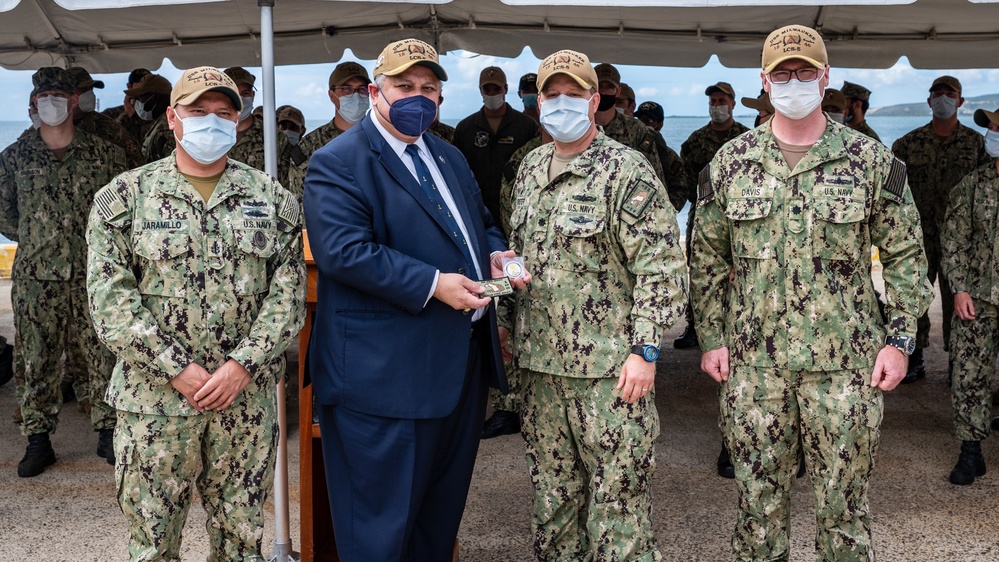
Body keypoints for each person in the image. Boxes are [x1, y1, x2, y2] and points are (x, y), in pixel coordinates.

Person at [690, 25, 932, 561]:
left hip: (847, 369)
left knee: (844, 514)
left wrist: (900, 341)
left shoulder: (870, 163)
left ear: (825, 79)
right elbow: (706, 260)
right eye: (782, 73)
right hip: (754, 371)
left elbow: (907, 258)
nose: (793, 81)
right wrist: (710, 338)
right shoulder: (730, 164)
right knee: (757, 512)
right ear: (764, 81)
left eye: (804, 72)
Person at [302, 38, 528, 561]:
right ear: (375, 91)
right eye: (404, 85)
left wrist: (498, 257)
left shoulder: (446, 154)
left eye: (429, 87)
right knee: (378, 533)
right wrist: (433, 283)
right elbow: (343, 252)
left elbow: (482, 224)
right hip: (383, 380)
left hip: (458, 371)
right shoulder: (338, 161)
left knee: (436, 522)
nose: (417, 96)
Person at [86, 66, 306, 560]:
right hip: (154, 406)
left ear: (238, 119)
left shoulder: (273, 200)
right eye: (198, 111)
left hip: (243, 406)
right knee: (153, 546)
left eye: (224, 113)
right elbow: (110, 304)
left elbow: (288, 298)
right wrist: (178, 370)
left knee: (241, 543)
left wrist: (240, 366)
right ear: (172, 117)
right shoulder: (123, 197)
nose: (212, 121)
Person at [502, 48, 686, 562]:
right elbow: (524, 257)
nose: (562, 103)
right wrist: (503, 311)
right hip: (540, 374)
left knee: (618, 512)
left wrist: (645, 349)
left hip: (611, 375)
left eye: (574, 94)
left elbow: (662, 267)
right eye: (552, 94)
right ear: (538, 102)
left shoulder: (628, 170)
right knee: (552, 508)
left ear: (595, 99)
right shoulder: (530, 168)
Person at [0, 67, 127, 477]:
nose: (51, 102)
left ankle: (108, 431)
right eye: (44, 95)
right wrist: (42, 238)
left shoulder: (103, 153)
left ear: (73, 101)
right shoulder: (15, 157)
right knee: (37, 360)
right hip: (37, 278)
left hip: (94, 273)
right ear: (35, 103)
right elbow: (6, 216)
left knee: (102, 354)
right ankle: (38, 440)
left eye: (59, 94)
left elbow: (122, 211)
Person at [892, 75, 990, 383]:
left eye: (950, 93)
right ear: (929, 100)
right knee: (914, 296)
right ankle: (915, 355)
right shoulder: (907, 144)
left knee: (959, 300)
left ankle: (956, 360)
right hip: (918, 236)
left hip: (960, 240)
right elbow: (893, 193)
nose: (943, 97)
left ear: (960, 101)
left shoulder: (976, 144)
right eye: (938, 92)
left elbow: (987, 189)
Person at [940, 107, 999, 485]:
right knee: (969, 376)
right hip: (977, 300)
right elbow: (953, 240)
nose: (992, 134)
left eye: (996, 127)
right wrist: (959, 288)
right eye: (991, 128)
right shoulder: (973, 185)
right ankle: (970, 450)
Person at [678, 81, 750, 354]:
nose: (717, 106)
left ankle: (734, 324)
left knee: (738, 270)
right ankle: (696, 325)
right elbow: (686, 182)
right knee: (701, 270)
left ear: (733, 103)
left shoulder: (746, 138)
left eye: (721, 101)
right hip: (702, 216)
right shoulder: (695, 141)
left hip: (739, 216)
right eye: (713, 102)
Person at [454, 66, 539, 233]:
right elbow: (457, 171)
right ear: (480, 90)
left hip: (515, 210)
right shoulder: (465, 128)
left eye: (497, 89)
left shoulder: (526, 126)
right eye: (487, 89)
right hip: (478, 209)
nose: (492, 94)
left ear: (506, 89)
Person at [286, 61, 370, 201]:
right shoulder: (309, 146)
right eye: (347, 89)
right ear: (332, 95)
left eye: (362, 89)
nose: (356, 96)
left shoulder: (383, 139)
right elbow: (300, 200)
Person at [223, 66, 290, 185]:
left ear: (253, 95)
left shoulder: (275, 138)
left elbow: (286, 183)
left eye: (246, 93)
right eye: (234, 93)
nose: (241, 99)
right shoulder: (209, 133)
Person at [68, 67, 144, 169]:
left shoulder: (108, 128)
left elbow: (136, 166)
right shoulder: (48, 128)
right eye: (83, 89)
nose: (90, 94)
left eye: (91, 89)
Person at [635, 100, 688, 211]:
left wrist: (663, 212)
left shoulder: (671, 158)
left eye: (649, 120)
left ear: (660, 124)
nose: (643, 124)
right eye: (640, 120)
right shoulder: (627, 150)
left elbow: (680, 190)